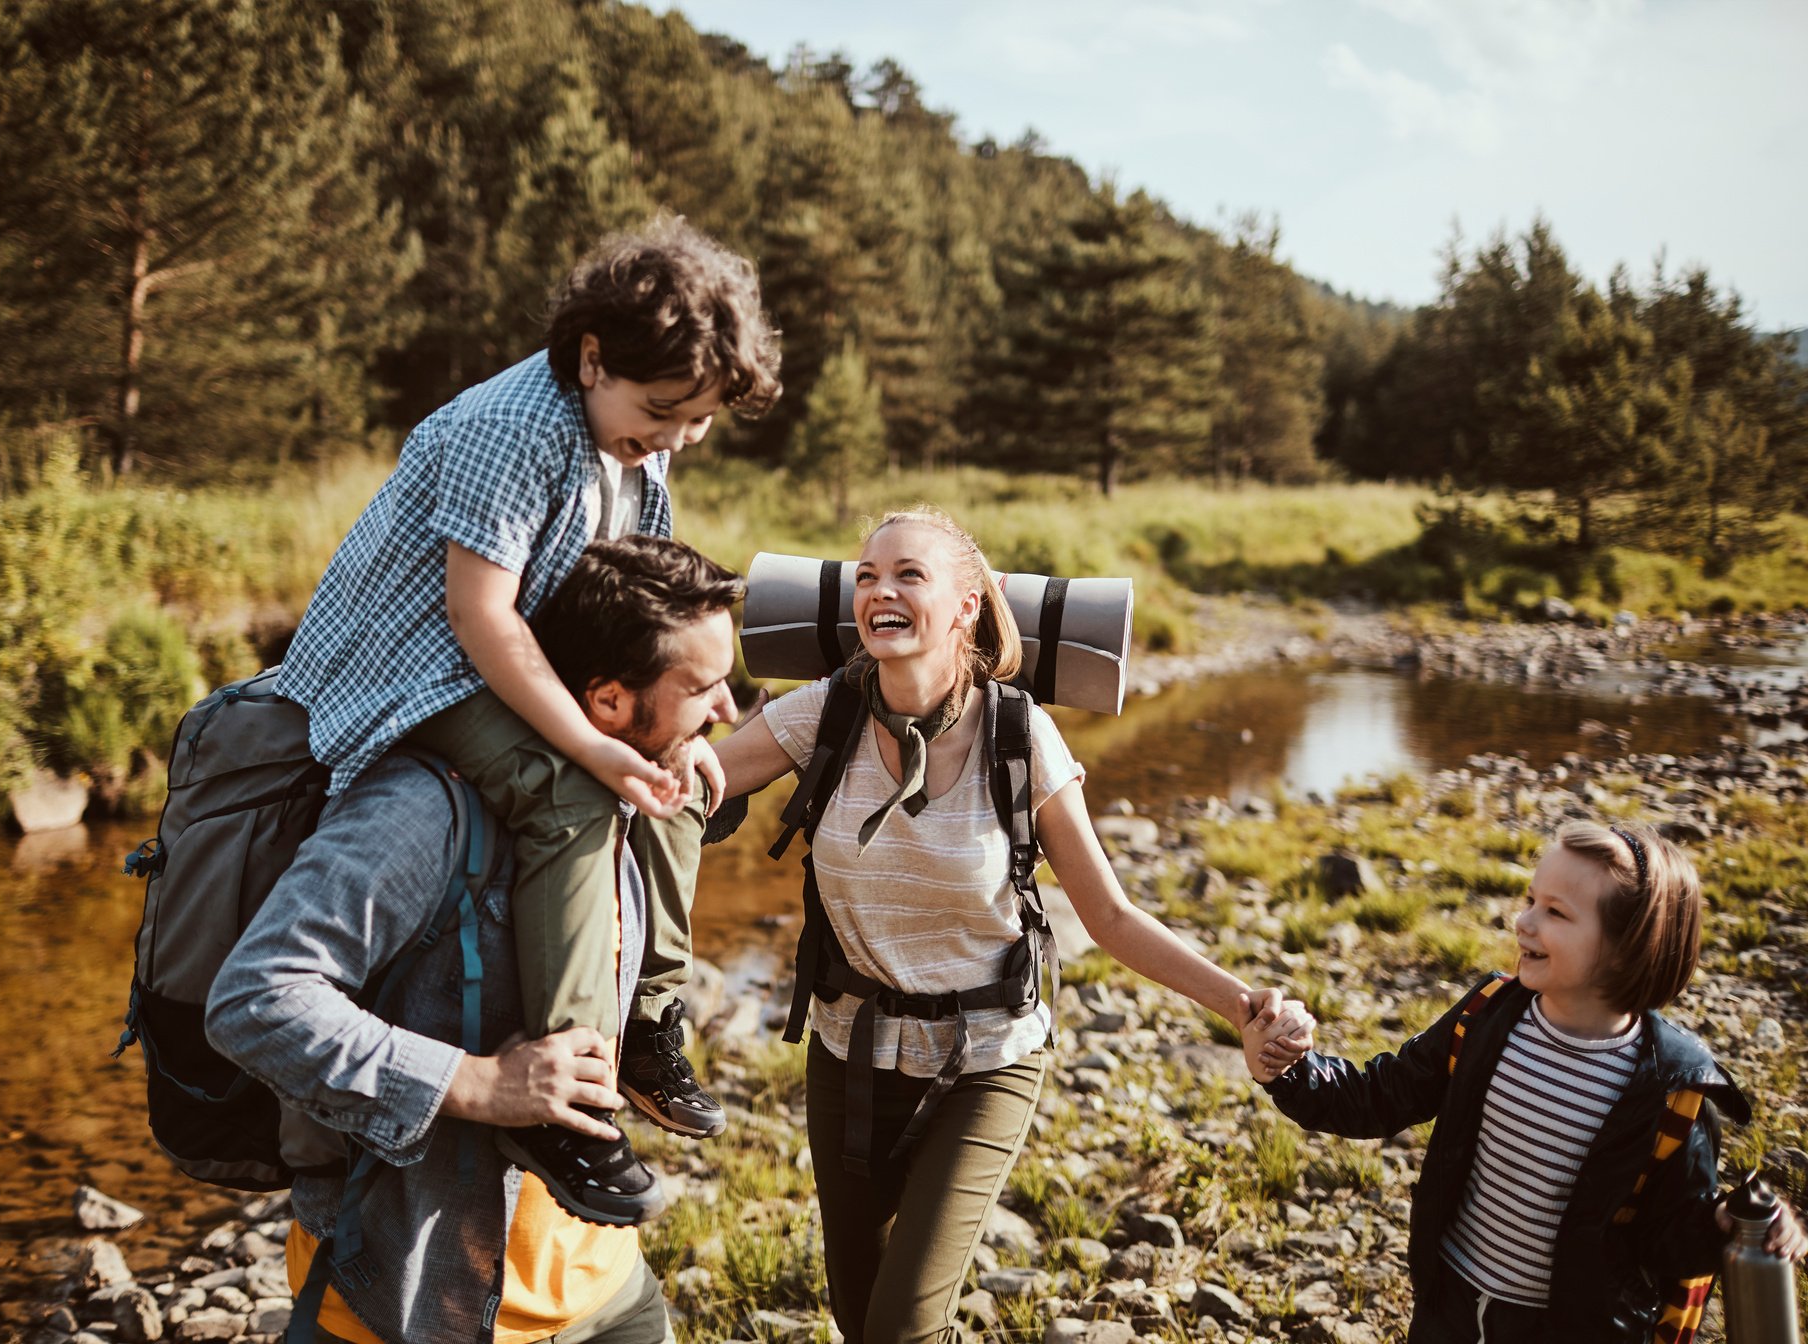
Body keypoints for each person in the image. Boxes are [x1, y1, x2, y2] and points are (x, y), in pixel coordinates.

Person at [276, 216, 781, 1217]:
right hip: (413, 673)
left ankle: (646, 1017)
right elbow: (480, 614)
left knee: (670, 782)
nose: (677, 437)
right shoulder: (512, 428)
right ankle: (565, 1099)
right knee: (571, 794)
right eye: (665, 411)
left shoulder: (636, 442)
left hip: (513, 662)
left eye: (699, 420)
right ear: (593, 357)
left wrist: (686, 730)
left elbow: (643, 603)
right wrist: (591, 743)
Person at [712, 506, 1312, 1343]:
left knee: (898, 1332)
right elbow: (694, 779)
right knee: (863, 1321)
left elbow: (1109, 913)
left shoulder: (1019, 733)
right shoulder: (826, 713)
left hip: (984, 1059)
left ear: (966, 606)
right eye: (869, 576)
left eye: (909, 575)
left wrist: (1242, 1006)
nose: (880, 590)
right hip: (847, 1054)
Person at [206, 536, 744, 1343]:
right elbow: (254, 1001)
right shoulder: (421, 814)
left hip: (606, 1291)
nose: (728, 711)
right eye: (703, 688)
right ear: (606, 702)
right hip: (410, 1305)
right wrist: (480, 1085)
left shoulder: (634, 789)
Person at [1243, 820, 1807, 1343]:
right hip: (1451, 1302)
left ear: (1628, 946)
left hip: (1568, 1328)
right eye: (1529, 900)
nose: (1524, 921)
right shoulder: (1488, 1015)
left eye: (1555, 913)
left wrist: (1723, 1224)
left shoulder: (1673, 1092)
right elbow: (1378, 1096)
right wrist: (1290, 1068)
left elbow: (1664, 1238)